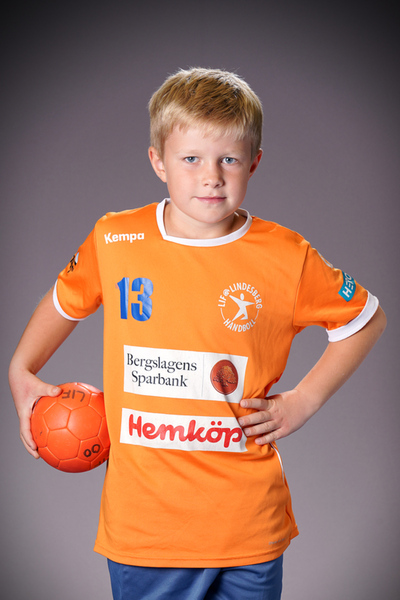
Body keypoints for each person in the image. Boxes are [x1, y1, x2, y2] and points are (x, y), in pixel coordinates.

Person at [9, 68, 386, 600]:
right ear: (158, 162)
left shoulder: (286, 256)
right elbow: (64, 300)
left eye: (229, 159)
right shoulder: (115, 239)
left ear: (254, 163)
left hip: (249, 526)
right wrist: (21, 369)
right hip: (146, 533)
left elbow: (365, 319)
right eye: (191, 159)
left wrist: (303, 401)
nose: (211, 177)